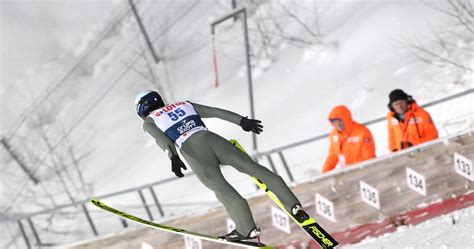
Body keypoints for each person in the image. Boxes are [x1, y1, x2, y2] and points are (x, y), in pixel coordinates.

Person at [134, 90, 309, 242]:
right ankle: (293, 204)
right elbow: (215, 112)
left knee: (222, 189)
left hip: (192, 150)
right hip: (212, 139)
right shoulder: (183, 104)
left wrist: (173, 157)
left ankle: (246, 229)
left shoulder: (149, 121)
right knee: (253, 168)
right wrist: (242, 121)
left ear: (142, 110)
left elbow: (162, 139)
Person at [321, 105, 376, 173]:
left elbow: (369, 157)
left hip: (364, 171)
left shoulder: (361, 132)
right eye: (335, 122)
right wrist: (324, 173)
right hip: (347, 173)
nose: (338, 124)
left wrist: (366, 172)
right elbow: (333, 156)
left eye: (340, 121)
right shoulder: (333, 135)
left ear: (346, 119)